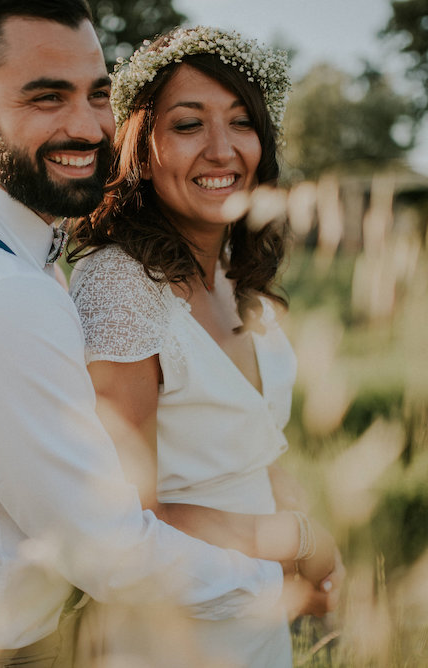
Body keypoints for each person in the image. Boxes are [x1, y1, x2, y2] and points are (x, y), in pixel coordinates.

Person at [0, 3, 332, 668]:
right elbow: (107, 548)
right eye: (47, 97)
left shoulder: (21, 244)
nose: (85, 125)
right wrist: (280, 577)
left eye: (97, 93)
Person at [68, 26, 343, 667]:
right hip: (169, 626)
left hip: (258, 614)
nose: (223, 151)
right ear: (143, 142)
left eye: (242, 122)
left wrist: (314, 546)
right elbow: (123, 518)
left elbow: (252, 444)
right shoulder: (118, 285)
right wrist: (296, 539)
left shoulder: (235, 274)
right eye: (189, 125)